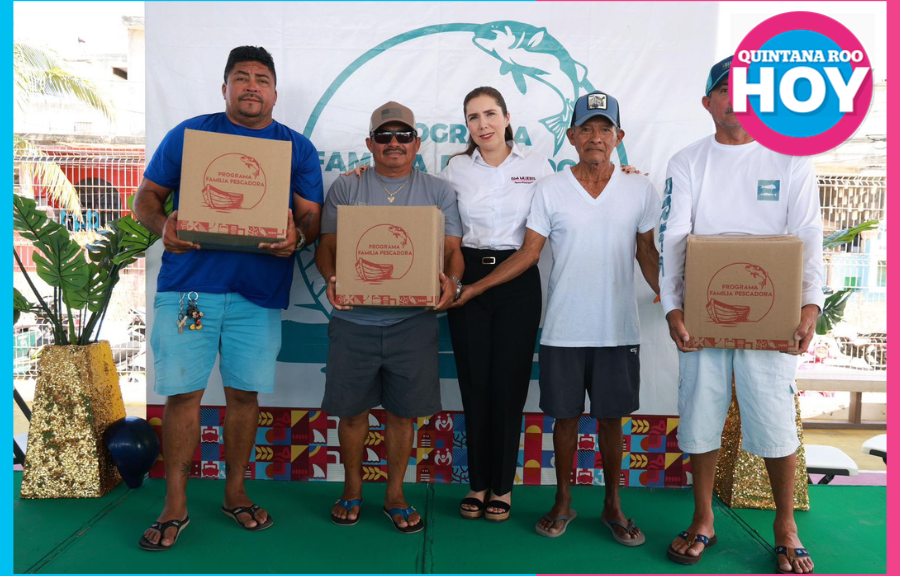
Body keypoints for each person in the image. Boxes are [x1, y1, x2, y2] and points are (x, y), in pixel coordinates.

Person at [132, 46, 323, 550]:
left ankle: (234, 493)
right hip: (192, 292)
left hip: (256, 297)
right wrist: (163, 224)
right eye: (241, 78)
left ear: (275, 92)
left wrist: (298, 239)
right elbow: (145, 199)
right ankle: (175, 502)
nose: (252, 86)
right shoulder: (191, 137)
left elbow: (312, 219)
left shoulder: (296, 148)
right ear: (225, 88)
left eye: (262, 78)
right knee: (184, 393)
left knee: (244, 395)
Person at [455, 90, 660, 543]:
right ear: (570, 136)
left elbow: (647, 253)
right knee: (563, 419)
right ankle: (562, 503)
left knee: (612, 420)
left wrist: (674, 299)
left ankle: (613, 506)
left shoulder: (640, 188)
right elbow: (529, 254)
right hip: (564, 327)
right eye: (585, 128)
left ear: (619, 136)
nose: (595, 137)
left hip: (618, 328)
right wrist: (475, 289)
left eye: (604, 128)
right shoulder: (549, 187)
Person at [659, 56, 822, 574]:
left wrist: (810, 307)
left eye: (749, 90)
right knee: (701, 412)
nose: (737, 99)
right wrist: (672, 307)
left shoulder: (790, 161)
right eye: (725, 90)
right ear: (707, 102)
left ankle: (783, 524)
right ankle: (702, 518)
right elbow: (674, 240)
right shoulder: (688, 161)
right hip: (704, 315)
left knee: (773, 414)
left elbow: (809, 242)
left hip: (771, 317)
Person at [315, 101, 464, 534]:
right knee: (353, 414)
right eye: (384, 136)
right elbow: (327, 245)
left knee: (403, 415)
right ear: (370, 143)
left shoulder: (439, 191)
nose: (394, 143)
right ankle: (353, 489)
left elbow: (453, 250)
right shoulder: (346, 187)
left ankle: (395, 493)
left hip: (413, 322)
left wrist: (451, 284)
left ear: (417, 143)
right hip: (354, 320)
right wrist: (330, 277)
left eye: (403, 136)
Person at [440, 87, 553, 521]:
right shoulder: (454, 168)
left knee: (509, 386)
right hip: (465, 274)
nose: (483, 124)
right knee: (474, 383)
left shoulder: (538, 167)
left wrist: (628, 172)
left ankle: (502, 488)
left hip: (517, 280)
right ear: (466, 125)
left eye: (490, 114)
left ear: (508, 117)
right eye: (473, 117)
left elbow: (561, 210)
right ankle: (478, 484)